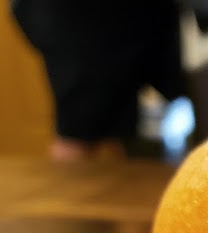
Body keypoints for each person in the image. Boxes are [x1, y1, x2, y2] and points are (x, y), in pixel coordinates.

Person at [11, 0, 186, 161]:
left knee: (116, 124)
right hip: (82, 17)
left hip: (138, 13)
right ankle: (70, 193)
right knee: (79, 131)